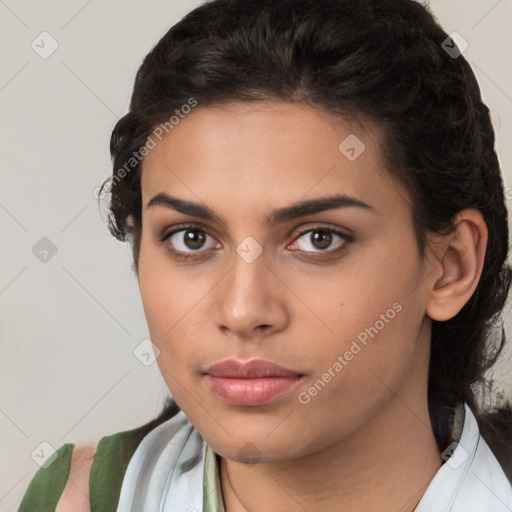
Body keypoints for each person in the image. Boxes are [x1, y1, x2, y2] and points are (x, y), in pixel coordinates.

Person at [17, 0, 512, 510]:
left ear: (451, 266)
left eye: (319, 238)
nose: (242, 310)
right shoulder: (77, 498)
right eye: (191, 238)